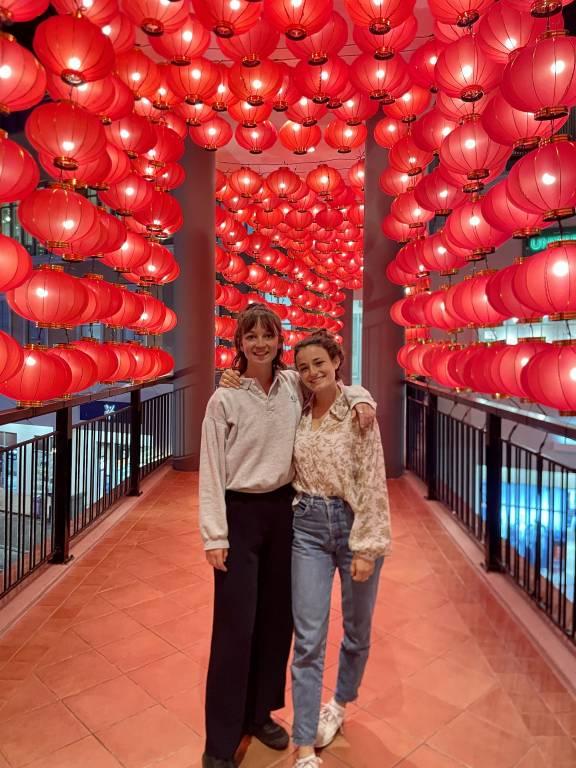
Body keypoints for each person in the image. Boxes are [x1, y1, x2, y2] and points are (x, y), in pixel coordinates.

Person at [199, 304, 375, 768]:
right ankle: (220, 740)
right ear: (238, 344)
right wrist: (214, 534)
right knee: (235, 628)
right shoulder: (225, 399)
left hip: (286, 512)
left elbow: (331, 383)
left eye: (268, 335)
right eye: (250, 336)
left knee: (278, 624)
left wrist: (362, 397)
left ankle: (259, 715)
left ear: (279, 341)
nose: (260, 343)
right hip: (239, 515)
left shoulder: (292, 386)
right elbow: (212, 469)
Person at [290, 330, 391, 768]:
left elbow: (372, 477)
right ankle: (304, 744)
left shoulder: (357, 410)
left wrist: (367, 545)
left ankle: (340, 704)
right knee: (308, 638)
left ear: (335, 360)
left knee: (357, 629)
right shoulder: (297, 406)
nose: (312, 373)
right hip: (307, 526)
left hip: (353, 525)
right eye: (304, 366)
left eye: (319, 363)